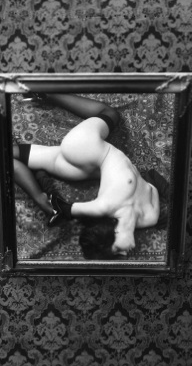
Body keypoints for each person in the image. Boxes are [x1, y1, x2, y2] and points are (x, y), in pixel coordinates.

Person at [12, 93, 168, 258]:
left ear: (114, 234)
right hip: (89, 161)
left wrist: (40, 198)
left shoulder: (104, 206)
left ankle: (46, 93)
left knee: (110, 113)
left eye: (117, 250)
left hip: (84, 151)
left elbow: (64, 209)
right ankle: (47, 94)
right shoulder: (150, 218)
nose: (124, 254)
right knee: (7, 157)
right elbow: (151, 180)